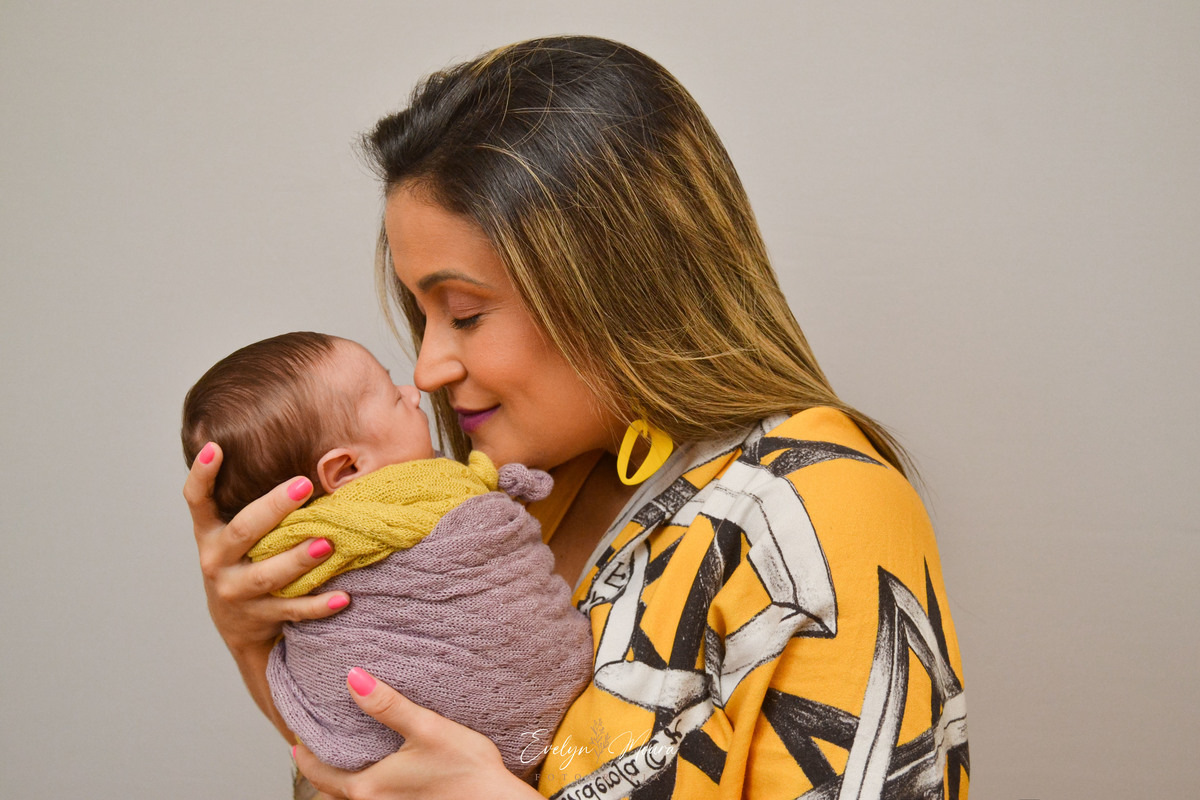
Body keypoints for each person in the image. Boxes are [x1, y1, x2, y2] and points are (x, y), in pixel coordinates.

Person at [183, 35, 969, 800]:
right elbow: (369, 773)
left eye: (464, 312)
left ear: (622, 285)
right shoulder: (489, 501)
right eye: (422, 317)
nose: (426, 372)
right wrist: (257, 640)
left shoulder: (816, 507)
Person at [180, 331, 593, 779]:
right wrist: (244, 636)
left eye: (468, 316)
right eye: (394, 398)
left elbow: (335, 748)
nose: (416, 389)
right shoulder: (444, 491)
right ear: (346, 469)